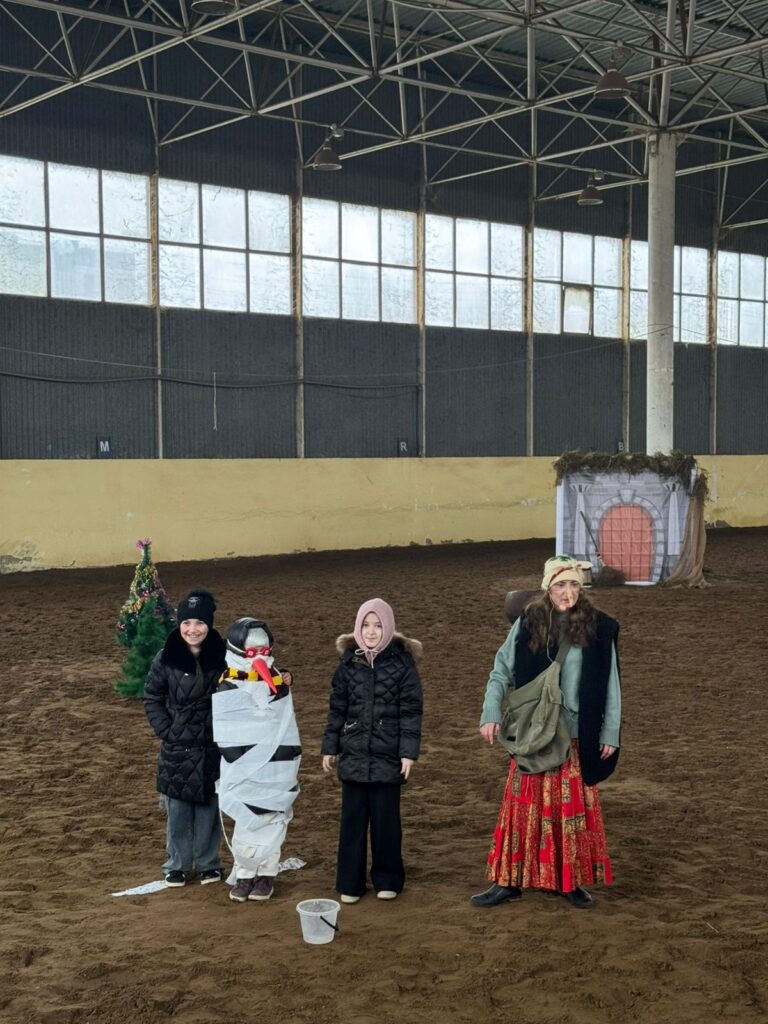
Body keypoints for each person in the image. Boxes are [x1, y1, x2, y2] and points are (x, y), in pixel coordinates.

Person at [472, 555, 621, 910]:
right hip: (534, 732)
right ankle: (508, 881)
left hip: (575, 736)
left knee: (569, 811)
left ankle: (568, 882)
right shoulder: (527, 624)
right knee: (521, 807)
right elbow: (500, 671)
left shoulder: (601, 628)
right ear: (547, 587)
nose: (568, 592)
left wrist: (610, 732)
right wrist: (490, 712)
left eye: (574, 584)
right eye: (560, 585)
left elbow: (611, 684)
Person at [321, 598, 423, 904]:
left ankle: (388, 878)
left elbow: (411, 712)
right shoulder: (347, 665)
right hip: (353, 756)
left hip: (388, 758)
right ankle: (350, 882)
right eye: (366, 625)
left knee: (386, 823)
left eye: (378, 625)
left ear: (389, 628)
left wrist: (408, 753)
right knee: (352, 823)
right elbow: (337, 709)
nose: (371, 631)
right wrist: (330, 747)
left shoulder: (403, 665)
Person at [213, 617, 300, 903]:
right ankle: (245, 873)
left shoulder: (276, 682)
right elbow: (227, 733)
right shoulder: (228, 685)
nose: (260, 656)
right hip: (245, 767)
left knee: (274, 819)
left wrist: (282, 681)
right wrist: (244, 766)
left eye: (264, 650)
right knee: (247, 821)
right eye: (253, 651)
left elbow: (284, 720)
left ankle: (267, 874)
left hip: (276, 767)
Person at [144, 589, 226, 887]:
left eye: (200, 622)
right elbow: (152, 697)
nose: (193, 629)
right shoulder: (165, 657)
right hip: (177, 747)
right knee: (177, 808)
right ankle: (176, 864)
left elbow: (249, 680)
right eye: (187, 622)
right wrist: (167, 731)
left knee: (208, 807)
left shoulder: (225, 655)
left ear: (209, 624)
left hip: (211, 744)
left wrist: (284, 676)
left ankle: (208, 863)